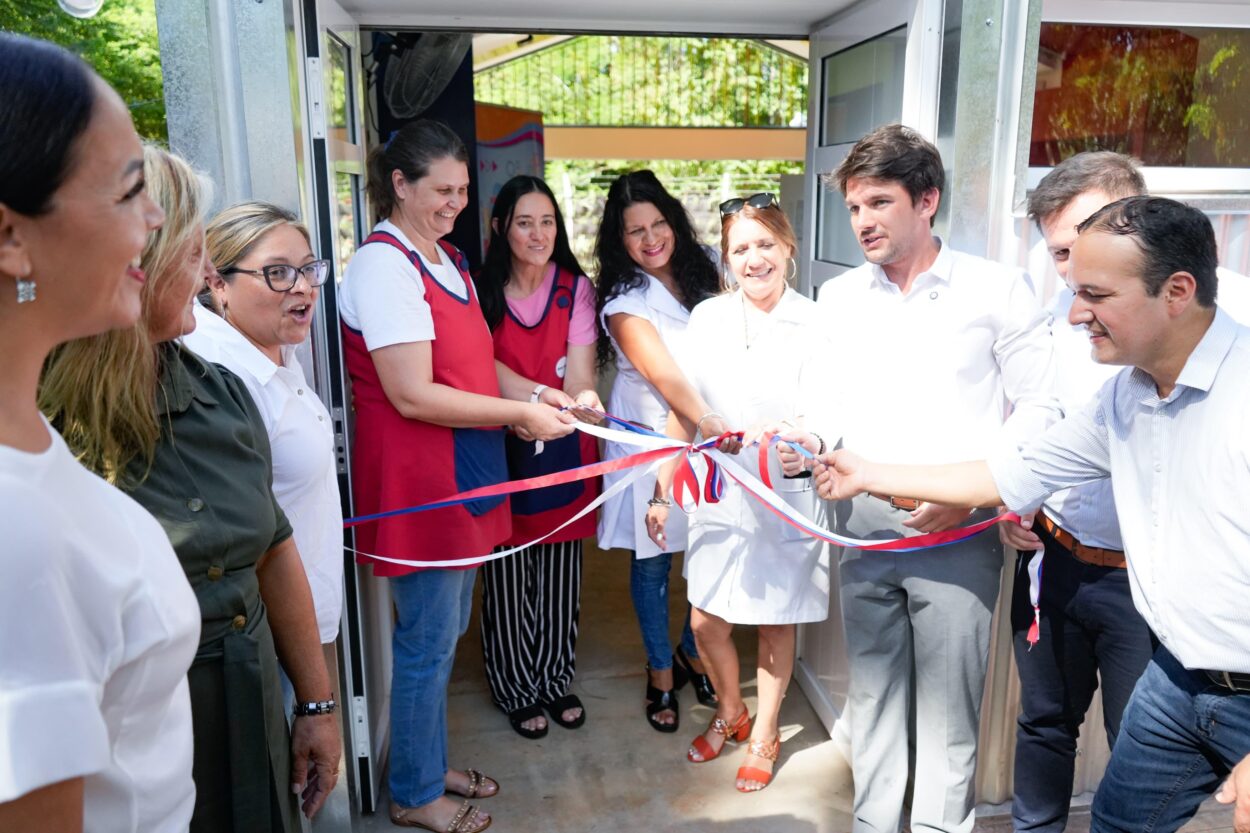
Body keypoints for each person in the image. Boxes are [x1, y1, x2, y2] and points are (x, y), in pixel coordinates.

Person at [806, 195, 1250, 833]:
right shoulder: (1124, 396)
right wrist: (869, 472)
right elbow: (1006, 474)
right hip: (1177, 680)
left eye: (1095, 294)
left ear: (1176, 291)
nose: (1074, 316)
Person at [39, 144, 341, 833]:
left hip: (251, 707)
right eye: (194, 251)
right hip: (130, 746)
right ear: (132, 259)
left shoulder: (222, 391)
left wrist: (317, 708)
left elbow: (272, 546)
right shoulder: (40, 425)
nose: (207, 274)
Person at [793, 124, 1061, 833]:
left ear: (927, 200)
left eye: (879, 202)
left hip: (955, 529)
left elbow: (1041, 410)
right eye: (854, 207)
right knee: (875, 704)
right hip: (861, 530)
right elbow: (827, 401)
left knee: (947, 718)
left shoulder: (996, 290)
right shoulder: (842, 297)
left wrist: (981, 492)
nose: (863, 222)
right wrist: (807, 439)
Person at [339, 119, 574, 832]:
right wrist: (515, 413)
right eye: (441, 189)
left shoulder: (447, 260)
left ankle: (423, 757)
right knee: (428, 640)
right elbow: (412, 391)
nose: (454, 203)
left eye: (464, 190)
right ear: (399, 184)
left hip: (464, 470)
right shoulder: (384, 266)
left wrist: (535, 395)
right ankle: (414, 792)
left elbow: (475, 368)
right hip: (423, 483)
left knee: (443, 634)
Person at [0, 34, 193, 832]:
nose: (155, 220)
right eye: (128, 193)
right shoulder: (19, 535)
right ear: (11, 237)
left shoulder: (26, 443)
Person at [646, 194, 831, 792]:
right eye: (740, 249)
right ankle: (731, 710)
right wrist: (661, 491)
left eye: (764, 245)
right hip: (720, 493)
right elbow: (685, 409)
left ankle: (765, 732)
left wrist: (803, 442)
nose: (754, 260)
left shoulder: (816, 322)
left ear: (788, 247)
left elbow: (827, 412)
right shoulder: (708, 319)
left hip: (786, 494)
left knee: (776, 620)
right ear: (726, 260)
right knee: (705, 622)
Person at [183, 201, 344, 713]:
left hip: (303, 626)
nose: (302, 287)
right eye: (277, 273)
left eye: (307, 269)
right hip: (270, 640)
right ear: (218, 283)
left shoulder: (274, 350)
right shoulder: (222, 378)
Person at [594, 169, 730, 733]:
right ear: (618, 240)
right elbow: (668, 379)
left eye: (657, 224)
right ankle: (659, 673)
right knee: (652, 564)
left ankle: (690, 651)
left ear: (672, 219)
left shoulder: (710, 266)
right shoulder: (624, 299)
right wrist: (712, 421)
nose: (650, 239)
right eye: (634, 232)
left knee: (713, 555)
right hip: (651, 440)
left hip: (711, 433)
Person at [474, 175, 603, 739]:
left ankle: (554, 677)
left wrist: (582, 401)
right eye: (524, 221)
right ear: (501, 226)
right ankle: (513, 684)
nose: (538, 233)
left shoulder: (575, 289)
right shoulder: (479, 288)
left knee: (558, 566)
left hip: (560, 439)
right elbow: (480, 370)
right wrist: (532, 398)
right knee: (505, 568)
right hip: (498, 439)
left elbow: (579, 374)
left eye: (547, 221)